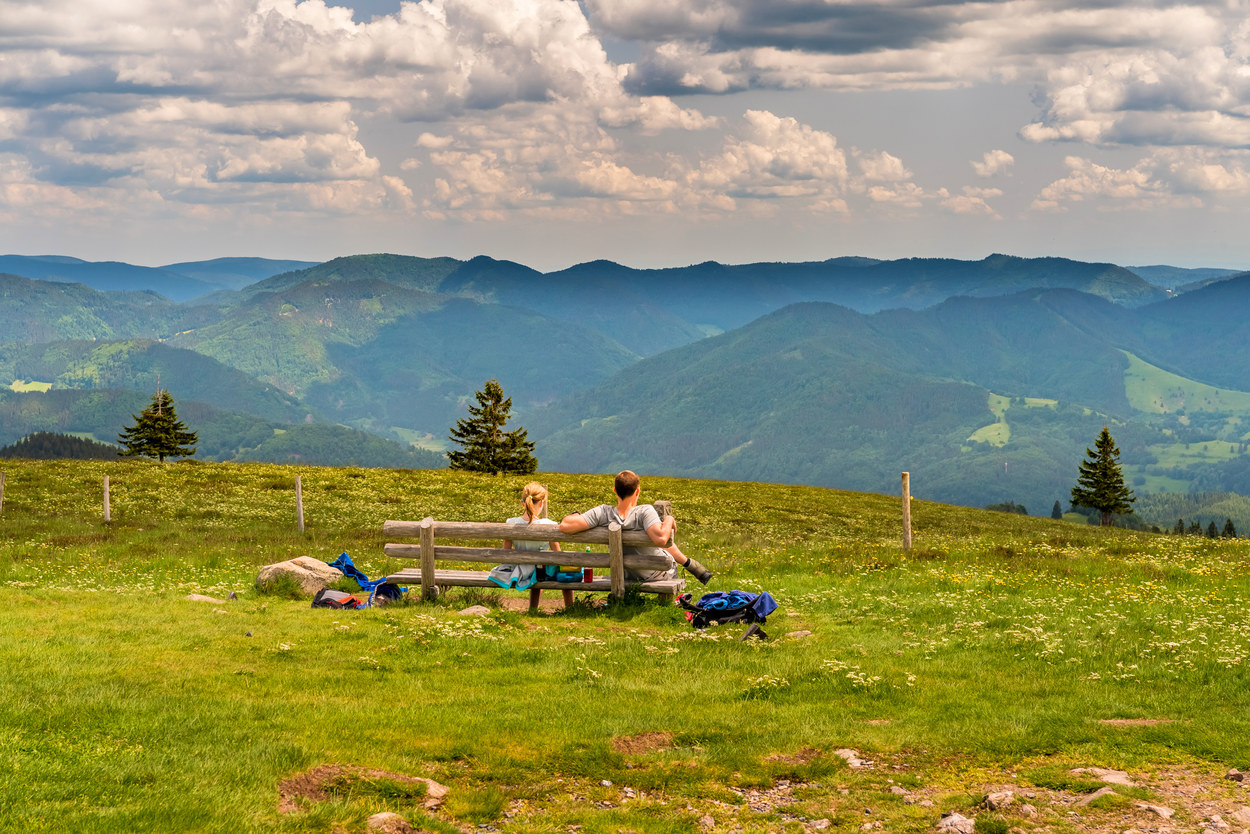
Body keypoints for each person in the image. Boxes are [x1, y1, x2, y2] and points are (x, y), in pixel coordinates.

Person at [559, 470, 713, 584]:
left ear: (615, 491)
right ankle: (691, 565)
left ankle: (690, 564)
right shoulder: (644, 511)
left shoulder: (603, 513)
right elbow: (661, 539)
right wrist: (669, 519)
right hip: (656, 573)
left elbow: (565, 525)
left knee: (653, 538)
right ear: (637, 491)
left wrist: (576, 515)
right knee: (661, 544)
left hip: (625, 573)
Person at [491, 481, 574, 609]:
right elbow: (558, 554)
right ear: (541, 503)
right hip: (540, 571)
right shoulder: (549, 524)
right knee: (566, 572)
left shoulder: (510, 523)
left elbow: (505, 555)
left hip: (520, 570)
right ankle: (570, 608)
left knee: (535, 569)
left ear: (522, 503)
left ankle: (533, 609)